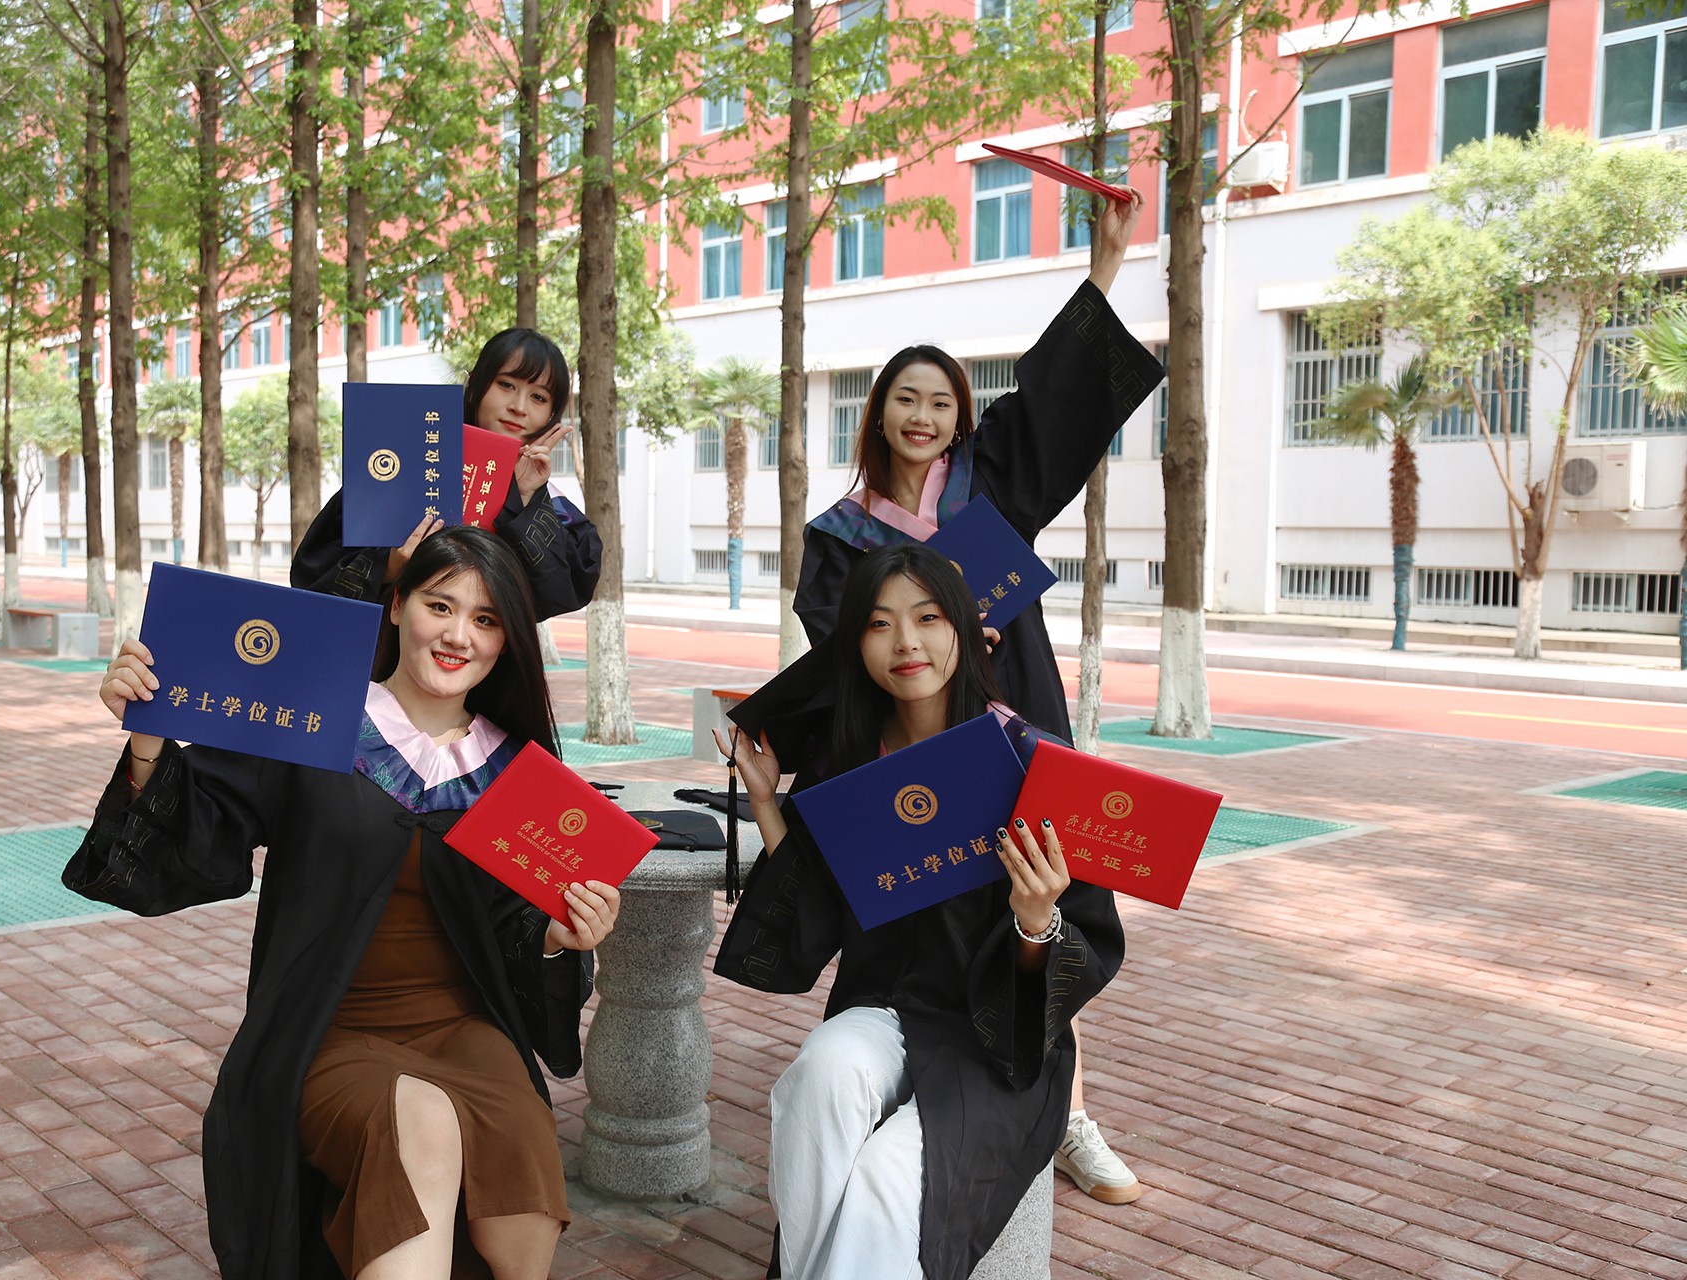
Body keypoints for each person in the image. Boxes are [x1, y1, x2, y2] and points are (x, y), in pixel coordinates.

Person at [66, 526, 621, 1280]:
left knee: (521, 1162)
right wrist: (148, 742)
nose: (458, 635)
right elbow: (198, 835)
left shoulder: (516, 769)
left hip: (463, 1026)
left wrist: (557, 936)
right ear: (396, 605)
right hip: (325, 1024)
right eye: (439, 605)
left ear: (507, 641)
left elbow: (511, 930)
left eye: (486, 619)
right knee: (419, 1123)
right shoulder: (316, 723)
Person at [792, 191, 1158, 1206]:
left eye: (941, 402)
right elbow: (834, 658)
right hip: (908, 751)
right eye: (906, 400)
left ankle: (1064, 1109)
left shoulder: (989, 484)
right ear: (878, 413)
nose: (924, 417)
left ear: (960, 416)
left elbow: (1054, 397)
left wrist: (1104, 267)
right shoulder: (840, 535)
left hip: (1010, 723)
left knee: (1041, 906)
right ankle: (897, 1081)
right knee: (930, 922)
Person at [714, 543, 1124, 1280]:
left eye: (928, 618)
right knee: (819, 1077)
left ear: (968, 628)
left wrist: (1036, 920)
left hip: (997, 1038)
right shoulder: (850, 760)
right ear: (855, 643)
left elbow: (1085, 942)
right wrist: (769, 802)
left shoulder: (1031, 760)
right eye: (879, 623)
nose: (906, 642)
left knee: (885, 1177)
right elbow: (821, 901)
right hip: (888, 1005)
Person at [295, 327, 602, 621]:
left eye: (539, 397)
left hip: (483, 653)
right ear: (476, 383)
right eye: (507, 385)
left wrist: (523, 499)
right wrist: (387, 567)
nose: (519, 407)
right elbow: (311, 575)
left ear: (551, 414)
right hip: (393, 651)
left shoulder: (542, 499)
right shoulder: (406, 462)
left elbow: (562, 593)